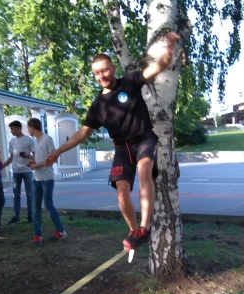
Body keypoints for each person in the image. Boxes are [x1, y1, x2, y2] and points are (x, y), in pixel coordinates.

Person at [46, 31, 180, 251]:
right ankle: (134, 231)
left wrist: (169, 49)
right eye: (97, 73)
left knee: (144, 170)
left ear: (113, 68)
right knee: (121, 191)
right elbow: (82, 133)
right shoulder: (98, 105)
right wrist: (58, 151)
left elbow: (158, 67)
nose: (102, 75)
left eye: (105, 70)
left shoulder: (130, 81)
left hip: (144, 139)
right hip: (122, 148)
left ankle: (145, 227)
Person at [27, 118, 67, 246]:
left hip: (47, 178)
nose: (28, 130)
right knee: (36, 207)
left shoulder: (47, 139)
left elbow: (53, 158)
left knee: (48, 205)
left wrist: (37, 165)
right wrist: (32, 161)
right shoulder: (35, 141)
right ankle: (37, 235)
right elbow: (37, 156)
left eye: (28, 128)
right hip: (36, 179)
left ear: (32, 127)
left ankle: (61, 231)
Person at [3, 120, 35, 225]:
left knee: (29, 194)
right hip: (16, 171)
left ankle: (30, 215)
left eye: (12, 129)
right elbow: (11, 157)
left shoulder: (29, 140)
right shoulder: (12, 141)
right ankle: (16, 216)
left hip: (27, 170)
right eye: (11, 129)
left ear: (18, 128)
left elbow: (35, 155)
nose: (11, 131)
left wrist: (28, 156)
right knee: (16, 194)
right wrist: (2, 166)